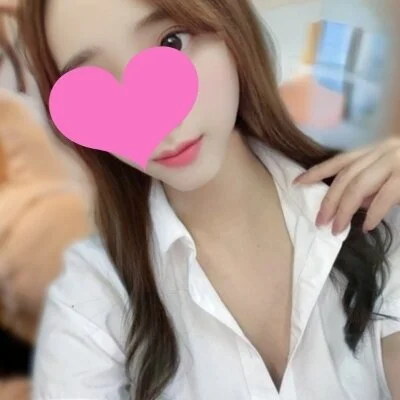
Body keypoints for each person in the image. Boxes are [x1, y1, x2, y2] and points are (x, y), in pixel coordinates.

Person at [17, 0, 400, 399]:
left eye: (171, 43)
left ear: (230, 27)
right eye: (94, 88)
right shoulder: (89, 297)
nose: (154, 121)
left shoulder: (375, 212)